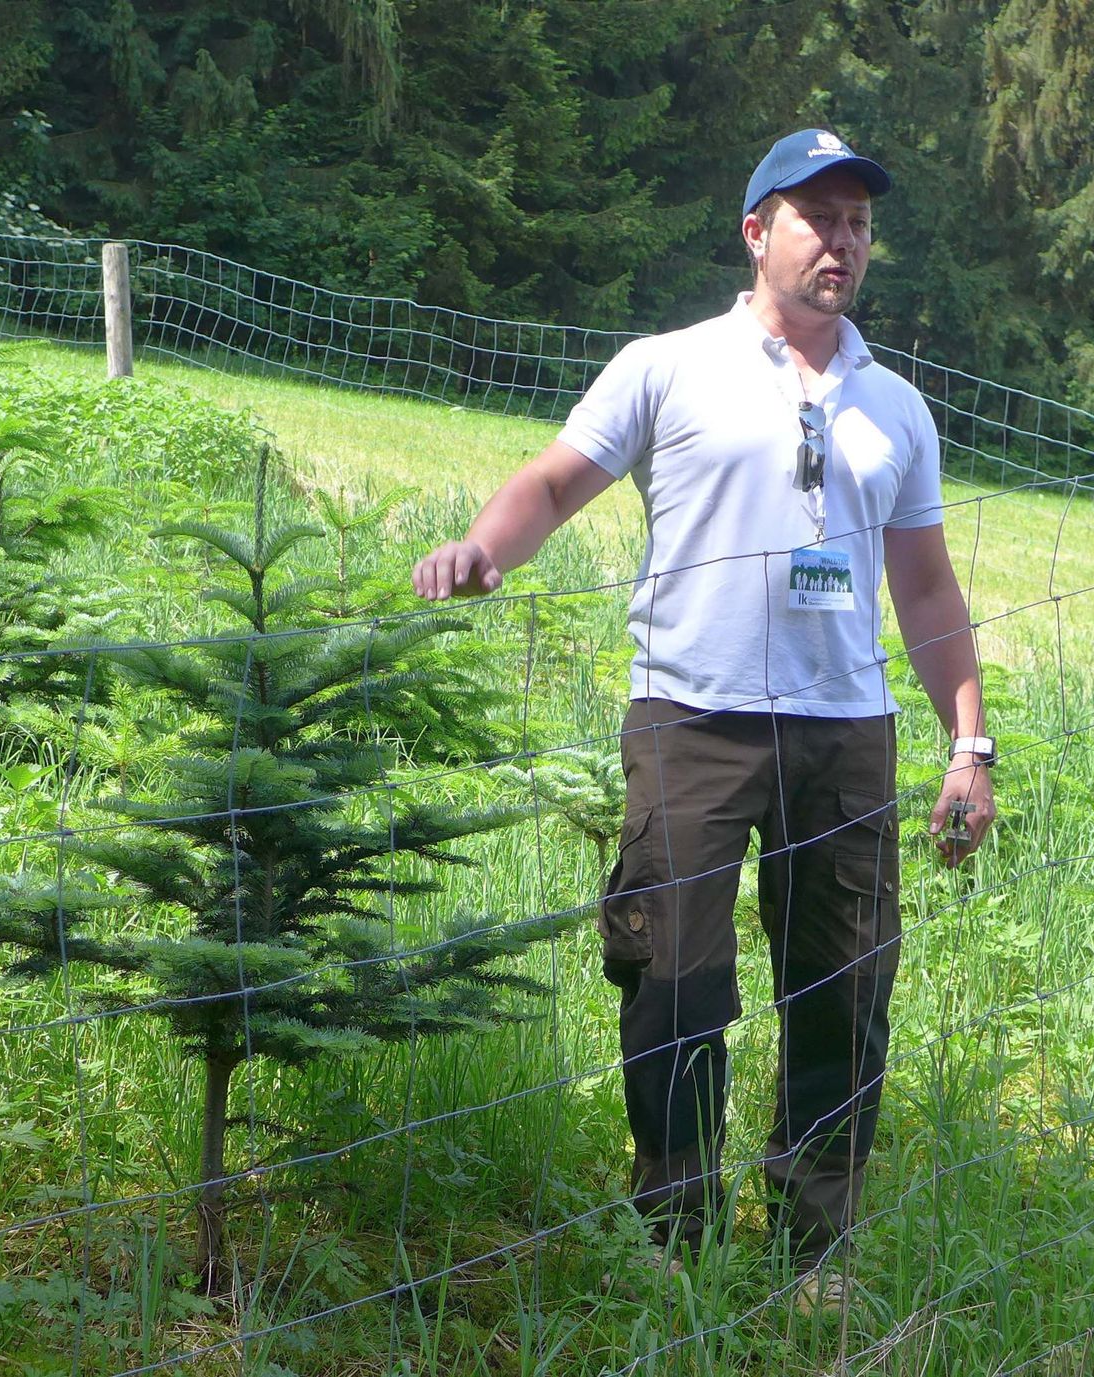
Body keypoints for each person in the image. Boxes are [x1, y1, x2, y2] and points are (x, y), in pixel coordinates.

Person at [413, 128, 995, 1306]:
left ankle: (813, 1248)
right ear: (756, 230)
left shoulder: (896, 409)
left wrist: (968, 742)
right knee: (673, 981)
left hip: (845, 733)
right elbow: (551, 484)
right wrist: (487, 548)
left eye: (860, 224)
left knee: (842, 989)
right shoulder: (665, 367)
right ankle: (671, 1238)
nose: (842, 240)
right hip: (691, 722)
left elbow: (925, 587)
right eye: (818, 217)